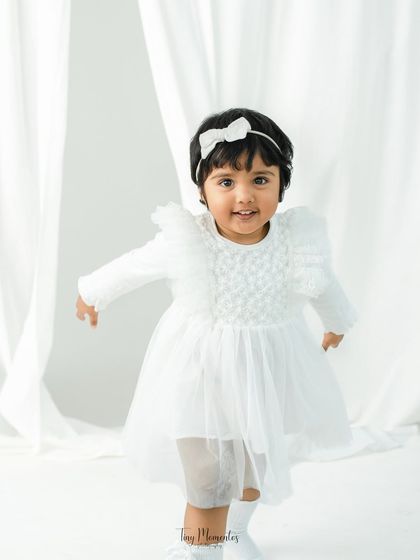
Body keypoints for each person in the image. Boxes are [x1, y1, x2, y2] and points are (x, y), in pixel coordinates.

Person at [76, 108, 359, 560]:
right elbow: (135, 266)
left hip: (264, 374)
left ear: (281, 185)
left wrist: (336, 322)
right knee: (209, 478)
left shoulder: (295, 240)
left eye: (260, 180)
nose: (244, 196)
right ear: (202, 191)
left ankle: (235, 532)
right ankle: (200, 549)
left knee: (251, 473)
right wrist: (93, 293)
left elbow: (322, 283)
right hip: (200, 375)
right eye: (226, 181)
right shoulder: (190, 239)